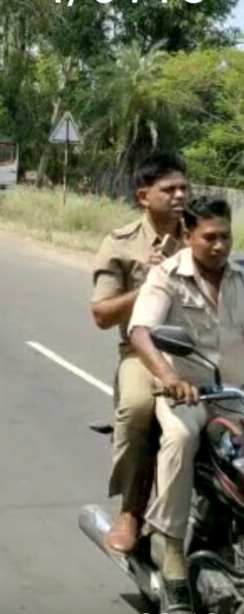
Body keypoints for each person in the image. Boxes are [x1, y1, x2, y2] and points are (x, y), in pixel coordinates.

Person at [129, 195, 244, 609]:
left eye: (226, 237)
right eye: (209, 237)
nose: (219, 246)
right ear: (187, 234)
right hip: (190, 394)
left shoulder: (241, 277)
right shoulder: (166, 277)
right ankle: (172, 547)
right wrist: (170, 376)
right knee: (179, 435)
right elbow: (140, 332)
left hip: (236, 397)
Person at [91, 154, 189, 553]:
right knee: (136, 409)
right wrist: (149, 283)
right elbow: (101, 314)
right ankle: (131, 510)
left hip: (201, 353)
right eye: (169, 190)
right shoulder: (121, 243)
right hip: (142, 352)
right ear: (143, 196)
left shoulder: (203, 234)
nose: (180, 195)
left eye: (184, 188)